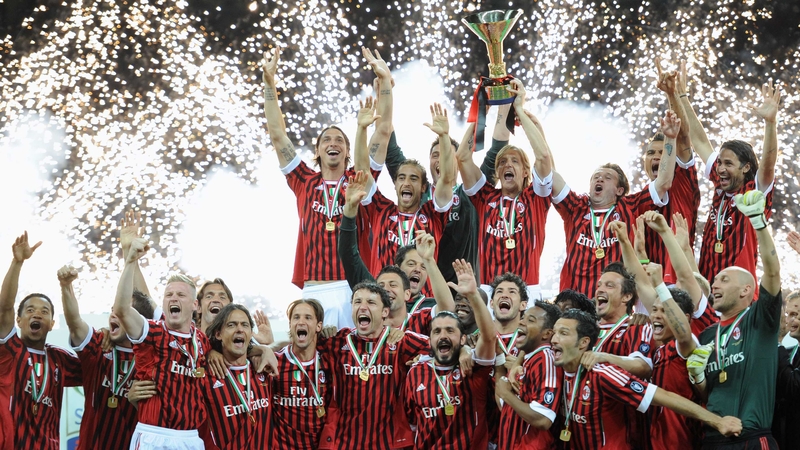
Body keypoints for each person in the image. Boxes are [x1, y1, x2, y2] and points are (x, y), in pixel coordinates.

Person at [261, 46, 389, 328]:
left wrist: (386, 86)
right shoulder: (304, 180)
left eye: (340, 141)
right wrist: (269, 84)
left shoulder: (359, 180)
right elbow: (277, 135)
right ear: (317, 152)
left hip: (352, 288)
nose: (333, 143)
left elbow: (383, 131)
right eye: (326, 140)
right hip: (314, 289)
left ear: (347, 152)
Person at [550, 309, 742, 450]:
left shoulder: (601, 374)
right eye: (554, 332)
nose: (554, 339)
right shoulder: (556, 370)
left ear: (584, 343)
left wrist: (717, 422)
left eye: (563, 333)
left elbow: (664, 396)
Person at [686, 189, 782, 448]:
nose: (715, 285)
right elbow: (709, 393)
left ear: (746, 290)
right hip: (713, 437)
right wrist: (698, 379)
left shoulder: (761, 319)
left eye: (724, 280)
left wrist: (758, 223)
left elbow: (772, 273)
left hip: (751, 437)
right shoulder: (707, 335)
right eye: (715, 280)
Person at [549, 107, 680, 297]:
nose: (599, 179)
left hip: (617, 302)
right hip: (575, 301)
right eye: (596, 176)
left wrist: (670, 138)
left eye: (607, 177)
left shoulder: (631, 206)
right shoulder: (576, 207)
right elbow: (549, 173)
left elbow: (664, 181)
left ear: (620, 190)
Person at [673, 64, 781, 286]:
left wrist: (770, 123)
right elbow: (700, 140)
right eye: (720, 162)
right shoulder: (720, 183)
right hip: (708, 287)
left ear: (746, 167)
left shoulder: (755, 193)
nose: (720, 168)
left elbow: (768, 164)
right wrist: (682, 97)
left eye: (728, 163)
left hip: (739, 291)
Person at [456, 80, 553, 299]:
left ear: (526, 171)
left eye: (515, 161)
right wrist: (480, 114)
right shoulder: (485, 197)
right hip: (490, 292)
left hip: (528, 292)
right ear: (498, 172)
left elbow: (544, 156)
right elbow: (462, 156)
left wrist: (519, 109)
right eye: (502, 162)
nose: (507, 165)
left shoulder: (537, 197)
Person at [114, 236, 211, 449]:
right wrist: (130, 261)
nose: (173, 298)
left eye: (180, 295)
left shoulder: (202, 340)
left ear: (195, 305)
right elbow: (121, 309)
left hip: (191, 438)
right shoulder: (153, 330)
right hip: (153, 434)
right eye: (168, 295)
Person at [338, 170, 454, 333]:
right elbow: (348, 255)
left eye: (423, 267)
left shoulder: (426, 307)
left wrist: (429, 260)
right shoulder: (374, 290)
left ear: (407, 293)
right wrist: (349, 210)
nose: (417, 270)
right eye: (411, 264)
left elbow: (448, 309)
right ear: (398, 270)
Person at [0, 232, 82, 450]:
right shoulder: (9, 351)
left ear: (52, 323)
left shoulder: (60, 359)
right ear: (19, 319)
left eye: (44, 311)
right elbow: (4, 307)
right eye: (30, 310)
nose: (37, 314)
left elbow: (96, 367)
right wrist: (17, 262)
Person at [60, 262, 155, 450]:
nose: (113, 315)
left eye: (121, 312)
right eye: (113, 310)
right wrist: (66, 286)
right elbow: (75, 322)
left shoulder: (153, 359)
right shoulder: (98, 346)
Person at [323, 282, 429, 449]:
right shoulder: (337, 341)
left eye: (371, 303)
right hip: (345, 442)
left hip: (390, 443)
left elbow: (442, 348)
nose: (363, 307)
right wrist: (270, 347)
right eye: (357, 302)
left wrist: (465, 349)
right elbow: (297, 348)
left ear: (385, 312)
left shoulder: (400, 341)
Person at [404, 259, 497, 449]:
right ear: (429, 339)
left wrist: (473, 295)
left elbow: (488, 337)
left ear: (463, 339)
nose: (443, 336)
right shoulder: (415, 373)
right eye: (437, 332)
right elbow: (413, 423)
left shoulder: (474, 369)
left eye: (450, 331)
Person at [359, 102, 456, 275]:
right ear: (395, 184)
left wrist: (444, 137)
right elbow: (362, 171)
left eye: (414, 178)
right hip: (384, 298)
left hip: (423, 298)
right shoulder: (380, 210)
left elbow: (447, 179)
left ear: (423, 187)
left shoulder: (433, 215)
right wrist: (361, 129)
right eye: (401, 178)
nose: (407, 183)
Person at [201, 304, 271, 449]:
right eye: (231, 325)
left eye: (244, 325)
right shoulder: (207, 376)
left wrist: (266, 348)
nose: (239, 329)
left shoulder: (264, 370)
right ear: (218, 334)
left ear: (251, 334)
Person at [496, 301, 563, 450]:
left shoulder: (546, 359)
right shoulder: (529, 359)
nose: (521, 321)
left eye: (530, 320)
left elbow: (543, 419)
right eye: (523, 317)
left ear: (547, 333)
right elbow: (505, 405)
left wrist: (506, 393)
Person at [271, 298, 334, 449]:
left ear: (319, 326)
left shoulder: (328, 362)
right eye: (296, 317)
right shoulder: (275, 362)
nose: (301, 322)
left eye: (308, 317)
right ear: (290, 325)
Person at [773, 292, 800, 449]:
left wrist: (776, 343)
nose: (789, 320)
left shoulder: (783, 351)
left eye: (795, 314)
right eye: (788, 314)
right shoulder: (793, 352)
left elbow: (794, 386)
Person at [489, 272, 529, 359]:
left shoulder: (530, 340)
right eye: (499, 291)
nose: (504, 295)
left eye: (512, 292)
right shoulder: (479, 337)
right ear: (491, 303)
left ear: (523, 305)